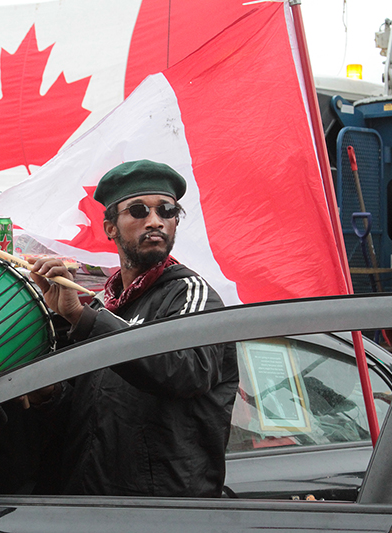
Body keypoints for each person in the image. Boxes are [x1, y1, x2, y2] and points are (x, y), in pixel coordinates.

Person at [28, 159, 239, 498]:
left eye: (167, 210)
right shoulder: (104, 305)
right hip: (91, 503)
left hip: (162, 511)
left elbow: (185, 372)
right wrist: (45, 395)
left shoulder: (192, 294)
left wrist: (85, 319)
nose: (155, 221)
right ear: (110, 227)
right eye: (138, 210)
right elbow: (84, 413)